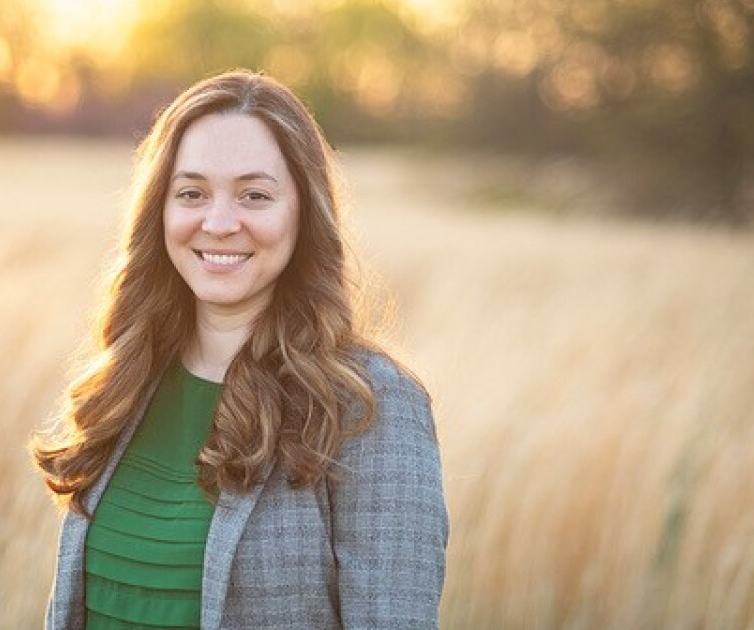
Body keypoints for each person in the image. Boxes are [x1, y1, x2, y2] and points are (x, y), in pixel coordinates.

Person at [30, 69, 448, 630]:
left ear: (304, 213)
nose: (220, 223)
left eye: (255, 195)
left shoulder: (370, 406)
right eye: (192, 193)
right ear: (160, 211)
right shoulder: (126, 384)